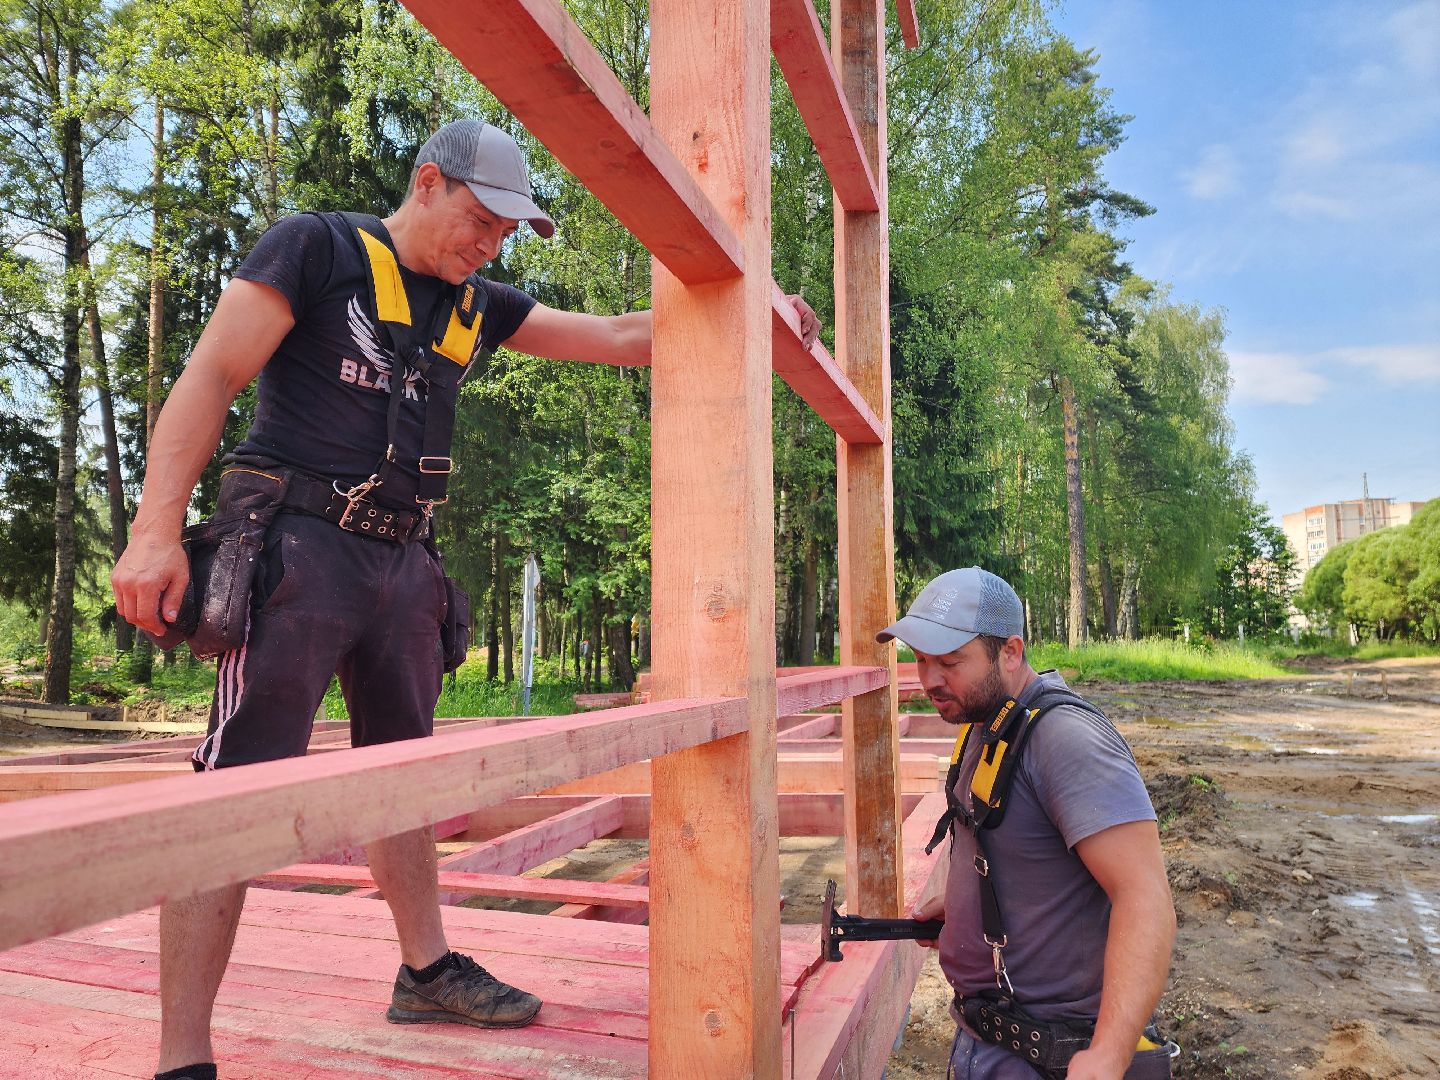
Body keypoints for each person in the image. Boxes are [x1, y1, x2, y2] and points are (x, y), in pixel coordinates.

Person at [111, 118, 817, 1080]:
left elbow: (619, 338)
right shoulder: (315, 249)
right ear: (428, 181)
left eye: (506, 236)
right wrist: (156, 528)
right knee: (233, 794)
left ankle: (425, 970)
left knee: (409, 774)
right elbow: (213, 375)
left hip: (403, 563)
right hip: (294, 547)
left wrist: (758, 317)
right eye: (481, 222)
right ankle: (182, 1055)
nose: (489, 246)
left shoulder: (474, 306)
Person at [877, 567, 1177, 1080]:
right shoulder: (988, 724)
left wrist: (1107, 1056)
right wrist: (964, 909)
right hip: (989, 1040)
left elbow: (1145, 899)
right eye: (921, 659)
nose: (929, 679)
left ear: (1010, 652)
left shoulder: (1065, 739)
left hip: (1054, 1056)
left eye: (950, 661)